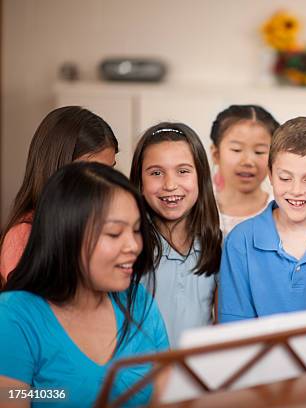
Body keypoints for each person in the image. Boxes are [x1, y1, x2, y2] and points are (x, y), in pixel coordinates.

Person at [0, 162, 168, 407]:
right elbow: (11, 397)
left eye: (136, 231)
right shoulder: (14, 316)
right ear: (67, 234)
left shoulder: (139, 301)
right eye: (114, 234)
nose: (133, 246)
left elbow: (168, 396)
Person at [218, 117, 306, 322]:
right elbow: (234, 329)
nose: (296, 191)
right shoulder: (240, 242)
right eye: (285, 178)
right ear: (270, 174)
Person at [0, 106, 118, 282]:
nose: (102, 184)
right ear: (56, 168)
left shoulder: (95, 222)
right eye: (90, 172)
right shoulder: (24, 236)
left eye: (108, 171)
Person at [130, 123, 222, 347]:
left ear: (200, 177)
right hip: (141, 375)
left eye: (183, 171)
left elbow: (222, 324)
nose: (170, 185)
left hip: (197, 372)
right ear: (140, 182)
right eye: (156, 173)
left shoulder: (217, 243)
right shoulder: (129, 245)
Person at [210, 105, 280, 235]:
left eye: (259, 152)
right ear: (216, 154)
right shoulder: (198, 206)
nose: (248, 161)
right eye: (236, 149)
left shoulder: (280, 212)